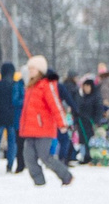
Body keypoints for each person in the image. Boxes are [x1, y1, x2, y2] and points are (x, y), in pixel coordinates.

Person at [16, 57, 74, 187]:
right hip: (30, 129)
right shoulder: (30, 86)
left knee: (45, 157)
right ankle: (39, 182)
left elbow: (55, 105)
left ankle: (66, 176)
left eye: (33, 69)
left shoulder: (47, 85)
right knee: (29, 157)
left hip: (44, 129)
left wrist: (62, 123)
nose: (30, 71)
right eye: (29, 69)